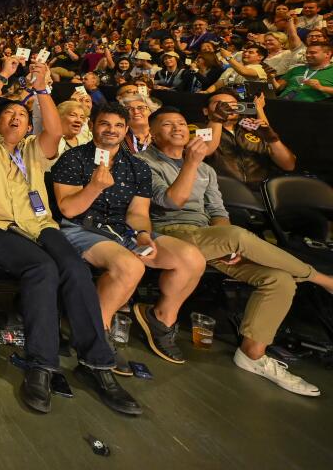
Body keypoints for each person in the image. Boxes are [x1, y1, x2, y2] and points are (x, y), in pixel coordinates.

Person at [0, 54, 139, 414]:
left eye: (23, 116)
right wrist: (1, 75)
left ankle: (97, 363)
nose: (16, 118)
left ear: (29, 126)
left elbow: (55, 132)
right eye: (10, 114)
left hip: (40, 225)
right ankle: (41, 365)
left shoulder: (33, 151)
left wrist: (42, 88)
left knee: (74, 268)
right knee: (43, 269)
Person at [143, 107, 333, 396]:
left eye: (182, 123)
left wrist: (224, 239)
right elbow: (170, 203)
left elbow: (218, 211)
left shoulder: (206, 170)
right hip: (170, 234)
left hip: (210, 236)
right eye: (167, 125)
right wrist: (191, 163)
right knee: (236, 235)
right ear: (154, 136)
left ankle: (252, 354)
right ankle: (322, 279)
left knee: (278, 279)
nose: (178, 128)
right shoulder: (144, 162)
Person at [51, 102, 207, 370]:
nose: (112, 130)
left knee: (192, 258)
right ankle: (98, 334)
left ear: (125, 131)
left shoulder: (137, 166)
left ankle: (160, 320)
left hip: (123, 229)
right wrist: (94, 188)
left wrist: (143, 234)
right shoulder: (73, 158)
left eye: (118, 125)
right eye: (104, 124)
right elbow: (68, 209)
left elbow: (137, 212)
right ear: (92, 126)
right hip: (81, 228)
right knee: (130, 266)